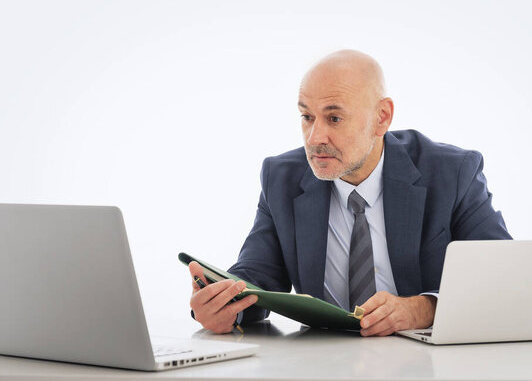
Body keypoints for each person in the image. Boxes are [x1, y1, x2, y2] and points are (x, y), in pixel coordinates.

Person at [189, 50, 511, 337]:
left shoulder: (452, 173)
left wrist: (423, 309)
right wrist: (224, 306)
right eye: (306, 117)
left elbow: (503, 278)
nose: (315, 138)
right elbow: (258, 278)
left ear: (381, 118)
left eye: (334, 118)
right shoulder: (282, 178)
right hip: (324, 367)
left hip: (427, 366)